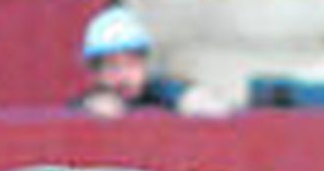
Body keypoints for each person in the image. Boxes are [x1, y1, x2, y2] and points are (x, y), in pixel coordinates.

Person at [74, 6, 229, 117]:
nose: (123, 76)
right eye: (112, 67)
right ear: (97, 74)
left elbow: (187, 96)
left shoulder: (160, 92)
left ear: (145, 64)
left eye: (131, 64)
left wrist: (193, 98)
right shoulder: (89, 102)